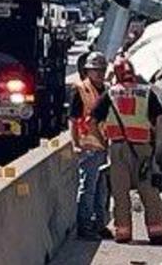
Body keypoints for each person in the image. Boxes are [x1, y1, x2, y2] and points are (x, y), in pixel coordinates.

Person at [91, 56, 162, 245]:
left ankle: (123, 233)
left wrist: (102, 140)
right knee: (149, 191)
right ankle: (156, 232)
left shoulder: (110, 93)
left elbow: (92, 121)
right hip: (142, 148)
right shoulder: (146, 92)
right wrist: (155, 141)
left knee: (120, 192)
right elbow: (161, 119)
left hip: (117, 148)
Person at [69, 52, 111, 240]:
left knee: (101, 190)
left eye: (102, 70)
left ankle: (99, 225)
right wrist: (76, 143)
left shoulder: (107, 90)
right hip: (89, 146)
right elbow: (73, 119)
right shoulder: (80, 90)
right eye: (96, 70)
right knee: (88, 189)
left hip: (105, 146)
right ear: (87, 71)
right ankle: (85, 227)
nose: (100, 74)